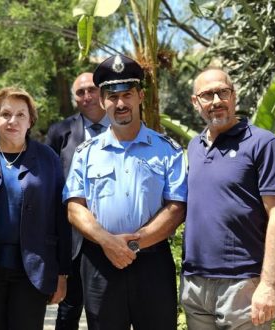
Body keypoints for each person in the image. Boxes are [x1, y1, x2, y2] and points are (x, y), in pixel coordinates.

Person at [63, 54, 187, 329]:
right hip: (100, 263)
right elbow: (74, 206)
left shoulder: (167, 150)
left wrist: (132, 244)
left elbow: (177, 208)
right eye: (112, 96)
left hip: (152, 262)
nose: (120, 103)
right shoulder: (86, 154)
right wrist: (108, 242)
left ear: (140, 96)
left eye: (127, 94)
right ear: (103, 101)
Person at [180, 68, 275, 329]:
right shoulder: (194, 146)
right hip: (195, 283)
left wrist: (268, 284)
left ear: (234, 96)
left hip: (243, 284)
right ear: (196, 102)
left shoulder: (262, 143)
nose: (216, 100)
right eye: (207, 95)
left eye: (223, 92)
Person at [0, 86, 71, 330]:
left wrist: (61, 273)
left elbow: (60, 218)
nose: (13, 121)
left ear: (30, 120)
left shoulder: (48, 157)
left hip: (32, 270)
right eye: (6, 114)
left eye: (21, 114)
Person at [45, 72, 109, 330]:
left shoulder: (123, 127)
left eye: (92, 89)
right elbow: (47, 185)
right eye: (80, 92)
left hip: (113, 235)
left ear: (102, 92)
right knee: (69, 309)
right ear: (74, 99)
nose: (87, 96)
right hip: (72, 239)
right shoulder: (60, 132)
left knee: (106, 309)